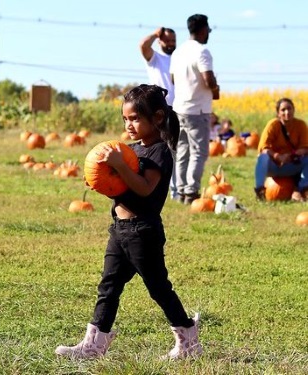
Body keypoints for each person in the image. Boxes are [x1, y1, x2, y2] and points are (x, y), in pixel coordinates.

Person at [55, 84, 202, 360]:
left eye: (135, 118)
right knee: (108, 286)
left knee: (158, 288)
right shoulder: (131, 151)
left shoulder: (159, 152)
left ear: (157, 118)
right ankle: (93, 345)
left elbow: (144, 188)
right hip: (120, 231)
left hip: (143, 233)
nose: (129, 124)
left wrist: (120, 166)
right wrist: (99, 179)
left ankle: (188, 339)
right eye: (125, 119)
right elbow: (120, 186)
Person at [170, 14, 220, 204]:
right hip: (197, 109)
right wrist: (215, 88)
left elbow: (173, 79)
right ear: (203, 30)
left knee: (183, 150)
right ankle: (191, 191)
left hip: (179, 108)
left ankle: (181, 191)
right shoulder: (202, 51)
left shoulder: (178, 52)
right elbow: (208, 79)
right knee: (199, 152)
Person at [140, 26, 178, 200]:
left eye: (173, 41)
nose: (171, 44)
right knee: (161, 149)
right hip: (158, 111)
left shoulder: (179, 59)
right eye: (167, 40)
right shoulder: (155, 58)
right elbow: (143, 46)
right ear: (160, 41)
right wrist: (156, 34)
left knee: (177, 150)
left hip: (178, 110)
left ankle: (175, 189)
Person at [254, 98, 308, 202]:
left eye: (289, 109)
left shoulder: (301, 125)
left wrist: (292, 154)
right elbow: (263, 148)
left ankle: (302, 189)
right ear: (278, 113)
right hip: (274, 166)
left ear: (294, 110)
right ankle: (260, 190)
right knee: (262, 157)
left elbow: (305, 147)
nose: (287, 112)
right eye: (283, 110)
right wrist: (277, 156)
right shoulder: (273, 125)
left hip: (291, 164)